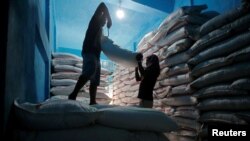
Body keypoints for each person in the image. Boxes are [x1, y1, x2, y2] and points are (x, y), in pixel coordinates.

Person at [68, 2, 112, 105]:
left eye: (106, 21)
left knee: (95, 79)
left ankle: (92, 101)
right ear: (100, 17)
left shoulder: (101, 31)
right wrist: (110, 18)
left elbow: (99, 44)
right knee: (90, 69)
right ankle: (73, 94)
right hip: (88, 51)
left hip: (96, 55)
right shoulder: (94, 21)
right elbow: (102, 5)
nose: (105, 22)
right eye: (104, 19)